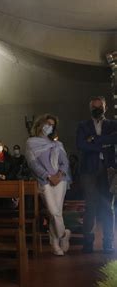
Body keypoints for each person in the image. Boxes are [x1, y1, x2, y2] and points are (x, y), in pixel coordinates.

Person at [76, 96, 117, 253]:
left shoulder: (113, 124)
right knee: (90, 206)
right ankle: (88, 242)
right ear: (90, 108)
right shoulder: (83, 125)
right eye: (94, 106)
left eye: (100, 106)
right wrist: (103, 145)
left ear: (105, 107)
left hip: (109, 169)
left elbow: (115, 138)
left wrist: (95, 140)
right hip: (89, 170)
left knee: (108, 207)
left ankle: (108, 243)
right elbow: (81, 144)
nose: (97, 109)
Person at [26, 114, 71, 256]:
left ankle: (55, 244)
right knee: (53, 211)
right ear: (40, 124)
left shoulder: (58, 144)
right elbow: (32, 164)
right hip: (44, 181)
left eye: (52, 125)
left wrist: (59, 175)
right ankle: (64, 234)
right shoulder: (31, 142)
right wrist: (48, 176)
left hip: (60, 181)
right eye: (47, 124)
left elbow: (65, 163)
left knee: (56, 212)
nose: (49, 127)